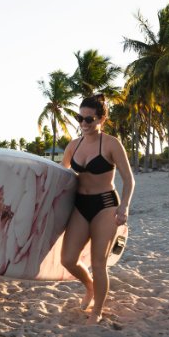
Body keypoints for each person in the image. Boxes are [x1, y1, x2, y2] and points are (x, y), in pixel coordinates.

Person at [60, 94, 134, 324]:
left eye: (89, 119)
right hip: (80, 206)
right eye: (79, 118)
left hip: (105, 206)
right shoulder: (73, 145)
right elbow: (60, 177)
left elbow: (129, 179)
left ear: (102, 119)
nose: (83, 123)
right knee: (68, 259)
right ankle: (90, 287)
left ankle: (97, 311)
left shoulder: (112, 144)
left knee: (99, 263)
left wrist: (124, 207)